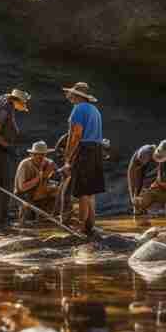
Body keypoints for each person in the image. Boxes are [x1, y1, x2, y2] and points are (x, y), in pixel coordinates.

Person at [61, 82, 104, 236]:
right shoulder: (95, 110)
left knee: (83, 192)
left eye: (72, 94)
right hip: (97, 150)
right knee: (91, 191)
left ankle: (81, 228)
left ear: (78, 96)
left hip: (84, 150)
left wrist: (68, 157)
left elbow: (76, 135)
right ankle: (90, 225)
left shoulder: (78, 109)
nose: (69, 96)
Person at [0, 88, 31, 230]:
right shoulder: (4, 108)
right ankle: (0, 222)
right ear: (18, 101)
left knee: (6, 184)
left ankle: (2, 219)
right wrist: (8, 147)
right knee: (2, 185)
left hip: (2, 151)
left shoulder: (6, 104)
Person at [14, 140, 59, 223]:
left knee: (57, 192)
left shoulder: (48, 163)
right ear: (32, 155)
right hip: (24, 195)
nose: (42, 158)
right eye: (40, 155)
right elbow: (22, 187)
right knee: (28, 218)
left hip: (40, 193)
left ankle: (49, 217)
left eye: (44, 155)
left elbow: (57, 175)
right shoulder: (25, 165)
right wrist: (40, 177)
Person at [128, 144, 157, 215]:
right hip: (138, 163)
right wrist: (133, 199)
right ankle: (138, 207)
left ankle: (147, 205)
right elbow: (132, 181)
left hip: (154, 161)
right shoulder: (135, 160)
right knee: (137, 187)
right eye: (140, 163)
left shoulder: (156, 154)